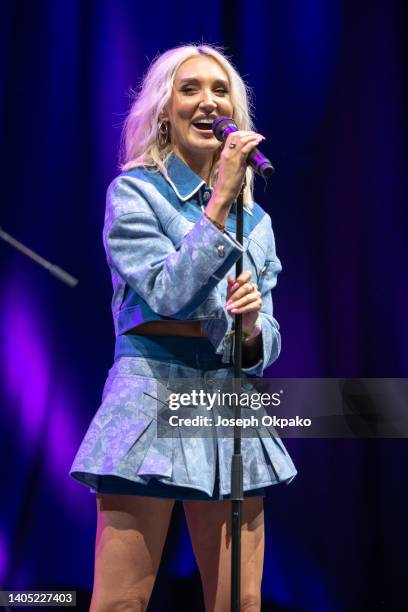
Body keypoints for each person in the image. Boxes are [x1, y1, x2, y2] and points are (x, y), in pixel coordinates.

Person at [70, 43, 297, 612]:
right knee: (122, 601)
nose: (206, 102)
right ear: (164, 112)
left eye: (219, 91)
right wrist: (218, 202)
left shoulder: (259, 221)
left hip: (224, 406)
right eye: (189, 89)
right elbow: (168, 294)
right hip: (148, 400)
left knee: (241, 602)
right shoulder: (134, 194)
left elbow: (263, 342)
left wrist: (248, 328)